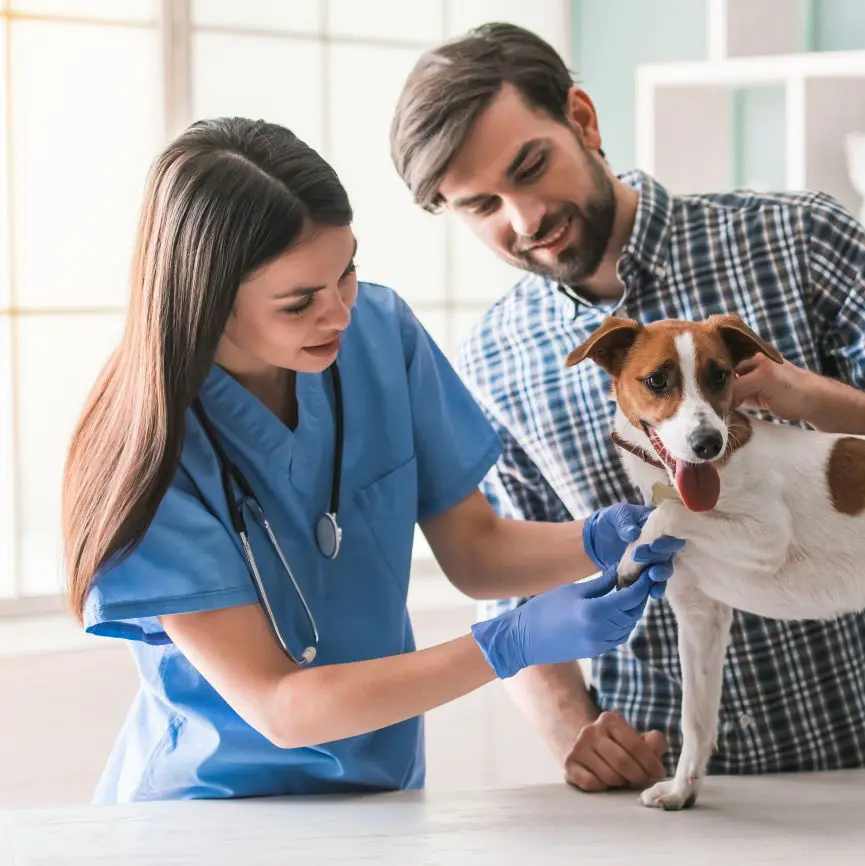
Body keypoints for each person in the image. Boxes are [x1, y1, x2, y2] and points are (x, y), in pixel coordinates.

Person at [389, 22, 865, 793]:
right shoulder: (494, 360)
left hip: (861, 764)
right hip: (657, 783)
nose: (523, 221)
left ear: (582, 120)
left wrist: (813, 401)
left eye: (531, 167)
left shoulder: (799, 242)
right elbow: (513, 583)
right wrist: (574, 731)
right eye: (481, 204)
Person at [60, 116, 685, 803]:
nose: (339, 314)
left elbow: (476, 554)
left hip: (380, 794)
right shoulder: (149, 441)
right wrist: (507, 643)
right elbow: (281, 705)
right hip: (208, 810)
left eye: (347, 271)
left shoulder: (383, 336)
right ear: (206, 302)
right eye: (299, 302)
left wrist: (610, 538)